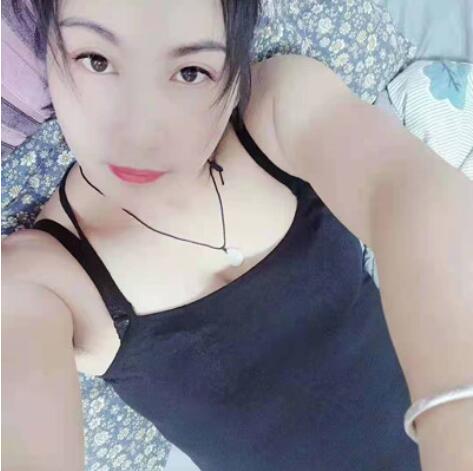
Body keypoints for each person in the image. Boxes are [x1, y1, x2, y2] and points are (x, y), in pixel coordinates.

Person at [1, 1, 437, 470]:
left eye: (190, 72)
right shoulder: (39, 277)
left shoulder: (278, 108)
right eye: (97, 60)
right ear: (48, 50)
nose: (141, 129)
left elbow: (417, 203)